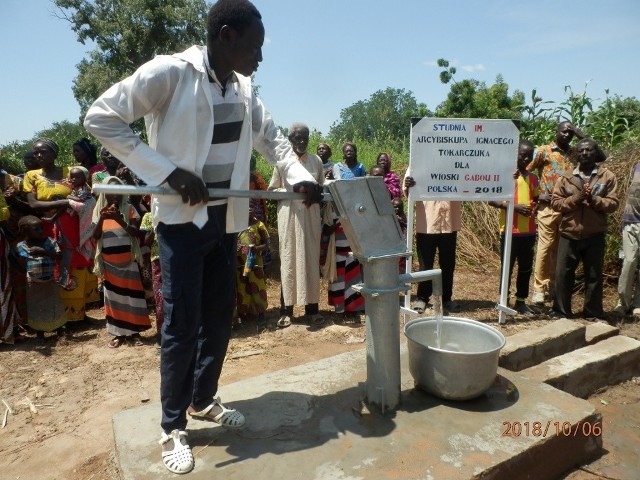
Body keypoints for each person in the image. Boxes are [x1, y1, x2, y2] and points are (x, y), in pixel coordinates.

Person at [83, 0, 322, 474]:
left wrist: (296, 174)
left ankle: (203, 399)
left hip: (225, 220)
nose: (259, 56)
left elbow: (271, 139)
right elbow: (101, 117)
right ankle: (173, 426)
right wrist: (166, 171)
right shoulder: (169, 74)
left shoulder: (243, 87)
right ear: (226, 36)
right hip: (181, 224)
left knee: (216, 319)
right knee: (180, 326)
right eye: (254, 46)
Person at [22, 138, 100, 324]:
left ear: (54, 154)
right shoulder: (32, 176)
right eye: (36, 153)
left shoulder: (69, 172)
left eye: (44, 152)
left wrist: (69, 204)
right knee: (56, 262)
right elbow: (34, 204)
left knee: (78, 262)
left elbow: (85, 196)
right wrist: (65, 202)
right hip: (46, 226)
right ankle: (60, 316)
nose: (39, 155)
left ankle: (79, 313)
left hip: (73, 224)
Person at [550, 138, 618, 321]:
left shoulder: (607, 176)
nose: (585, 154)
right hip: (569, 233)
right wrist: (576, 199)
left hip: (594, 234)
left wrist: (594, 200)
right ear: (576, 154)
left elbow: (613, 204)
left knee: (594, 276)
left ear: (595, 153)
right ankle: (561, 311)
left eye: (589, 150)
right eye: (581, 151)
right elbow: (556, 203)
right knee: (563, 275)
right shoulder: (566, 176)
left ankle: (593, 313)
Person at [268, 123, 324, 328]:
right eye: (297, 137)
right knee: (289, 260)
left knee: (310, 259)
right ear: (290, 139)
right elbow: (272, 191)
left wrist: (315, 194)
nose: (302, 141)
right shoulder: (282, 162)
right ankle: (286, 311)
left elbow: (322, 189)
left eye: (305, 137)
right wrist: (294, 193)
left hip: (310, 217)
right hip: (290, 217)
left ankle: (312, 310)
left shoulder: (316, 161)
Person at [527, 121, 584, 305]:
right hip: (548, 207)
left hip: (568, 208)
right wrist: (536, 194)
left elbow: (600, 156)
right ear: (556, 132)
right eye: (564, 131)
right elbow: (524, 170)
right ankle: (538, 289)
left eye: (571, 133)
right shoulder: (544, 150)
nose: (567, 135)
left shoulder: (575, 153)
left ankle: (553, 286)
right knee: (545, 246)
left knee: (560, 249)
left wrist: (580, 134)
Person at [92, 177, 151, 348]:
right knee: (113, 300)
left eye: (118, 191)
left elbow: (133, 232)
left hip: (128, 262)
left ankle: (134, 333)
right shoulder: (99, 210)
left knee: (132, 299)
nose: (115, 195)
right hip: (109, 264)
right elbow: (95, 236)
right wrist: (103, 218)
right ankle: (118, 334)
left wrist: (119, 219)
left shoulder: (130, 209)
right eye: (110, 191)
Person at [489, 140, 539, 316]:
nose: (526, 158)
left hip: (529, 232)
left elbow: (537, 198)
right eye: (522, 154)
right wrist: (514, 207)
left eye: (529, 155)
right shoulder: (506, 176)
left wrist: (535, 206)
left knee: (525, 267)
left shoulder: (533, 178)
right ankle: (503, 299)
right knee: (507, 267)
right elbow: (492, 200)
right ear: (514, 155)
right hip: (509, 231)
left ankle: (521, 301)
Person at [404, 171, 462, 314]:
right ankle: (422, 298)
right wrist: (407, 185)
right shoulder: (421, 159)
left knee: (448, 263)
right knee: (425, 264)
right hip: (427, 222)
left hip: (449, 222)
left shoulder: (454, 160)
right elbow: (406, 189)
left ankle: (446, 299)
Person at [323, 142, 366, 318]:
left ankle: (354, 307)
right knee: (339, 274)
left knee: (354, 271)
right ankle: (340, 308)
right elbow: (325, 225)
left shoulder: (356, 202)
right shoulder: (329, 200)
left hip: (353, 238)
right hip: (337, 243)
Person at [16, 215, 68, 343]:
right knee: (36, 307)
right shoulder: (22, 246)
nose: (41, 231)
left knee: (54, 304)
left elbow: (59, 256)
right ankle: (40, 333)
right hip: (33, 284)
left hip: (50, 281)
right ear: (26, 231)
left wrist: (44, 252)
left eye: (41, 228)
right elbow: (21, 263)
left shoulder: (49, 242)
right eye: (36, 229)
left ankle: (60, 330)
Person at [235, 205, 270, 331]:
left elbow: (267, 244)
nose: (249, 209)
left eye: (251, 207)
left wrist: (256, 249)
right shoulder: (236, 226)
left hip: (255, 263)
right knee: (242, 289)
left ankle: (261, 315)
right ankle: (244, 314)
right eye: (246, 207)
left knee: (258, 287)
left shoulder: (259, 225)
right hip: (240, 263)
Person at [615, 162, 640, 316]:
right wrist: (623, 219)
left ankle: (638, 304)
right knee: (629, 261)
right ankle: (622, 303)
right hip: (631, 220)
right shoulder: (637, 165)